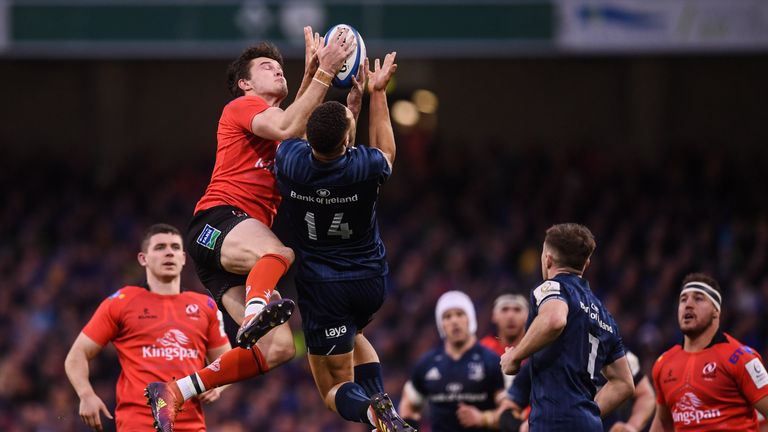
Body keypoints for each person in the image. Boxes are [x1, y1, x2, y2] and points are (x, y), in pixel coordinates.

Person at [145, 29, 355, 431]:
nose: (277, 70)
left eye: (280, 67)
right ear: (245, 83)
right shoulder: (241, 106)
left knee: (277, 350)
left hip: (228, 257)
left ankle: (176, 391)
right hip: (218, 221)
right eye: (266, 67)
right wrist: (323, 74)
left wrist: (324, 83)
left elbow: (309, 132)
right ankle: (256, 310)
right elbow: (286, 126)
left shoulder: (282, 129)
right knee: (279, 254)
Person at [273, 52, 413, 431]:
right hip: (370, 281)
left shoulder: (290, 162)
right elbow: (385, 151)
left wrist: (315, 75)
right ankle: (385, 415)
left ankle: (372, 412)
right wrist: (377, 92)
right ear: (347, 140)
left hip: (324, 288)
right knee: (358, 335)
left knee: (334, 389)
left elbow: (294, 127)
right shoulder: (363, 167)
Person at [64, 224, 231, 432]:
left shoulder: (205, 306)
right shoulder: (121, 302)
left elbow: (226, 363)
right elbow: (77, 355)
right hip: (137, 425)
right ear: (143, 259)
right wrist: (86, 394)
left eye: (175, 247)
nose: (169, 252)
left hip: (191, 426)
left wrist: (217, 386)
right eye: (160, 247)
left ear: (183, 258)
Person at [500, 223, 635, 431]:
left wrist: (515, 356)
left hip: (553, 421)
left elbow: (554, 320)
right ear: (586, 263)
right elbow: (624, 383)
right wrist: (586, 412)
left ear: (548, 259)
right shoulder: (604, 314)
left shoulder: (552, 287)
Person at [650, 273, 768, 431]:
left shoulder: (742, 358)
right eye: (683, 299)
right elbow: (663, 423)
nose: (688, 304)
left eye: (698, 298)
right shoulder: (663, 363)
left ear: (716, 312)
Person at [399, 291, 506, 431]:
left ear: (470, 318)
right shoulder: (427, 364)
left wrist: (484, 418)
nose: (454, 321)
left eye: (460, 314)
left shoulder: (491, 361)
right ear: (441, 324)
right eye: (447, 316)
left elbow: (510, 413)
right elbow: (408, 406)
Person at [501, 349, 654, 432]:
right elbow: (507, 410)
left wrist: (633, 426)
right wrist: (521, 426)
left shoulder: (613, 354)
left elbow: (646, 395)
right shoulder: (541, 358)